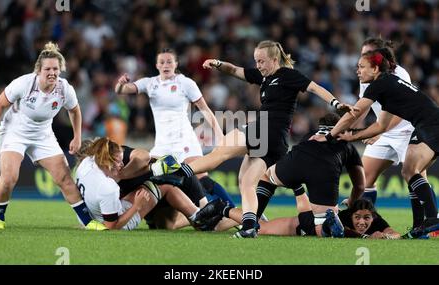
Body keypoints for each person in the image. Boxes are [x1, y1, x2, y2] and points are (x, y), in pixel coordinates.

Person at [152, 40, 357, 238]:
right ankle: (250, 226)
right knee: (247, 182)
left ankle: (177, 173)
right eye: (256, 61)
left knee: (221, 152)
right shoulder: (265, 77)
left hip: (266, 129)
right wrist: (218, 64)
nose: (258, 66)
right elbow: (235, 70)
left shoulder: (287, 75)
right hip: (275, 141)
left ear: (274, 59)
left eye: (261, 61)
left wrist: (336, 103)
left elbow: (314, 87)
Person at [155, 112, 365, 237]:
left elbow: (304, 196)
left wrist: (297, 185)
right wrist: (354, 208)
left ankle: (230, 209)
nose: (362, 222)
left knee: (263, 186)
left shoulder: (311, 139)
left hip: (294, 164)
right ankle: (235, 211)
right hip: (307, 217)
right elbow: (360, 185)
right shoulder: (346, 146)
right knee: (265, 225)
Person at [311, 48, 439, 238]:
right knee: (411, 171)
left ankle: (432, 218)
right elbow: (381, 126)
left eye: (362, 67)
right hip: (430, 124)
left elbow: (354, 114)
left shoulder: (379, 84)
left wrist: (329, 136)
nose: (358, 71)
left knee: (411, 170)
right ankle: (420, 226)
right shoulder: (389, 85)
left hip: (430, 126)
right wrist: (352, 137)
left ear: (375, 68)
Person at [0, 42, 104, 230]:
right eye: (47, 69)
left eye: (56, 69)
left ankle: (89, 222)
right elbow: (0, 104)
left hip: (43, 133)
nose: (52, 72)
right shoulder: (24, 83)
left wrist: (77, 137)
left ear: (61, 70)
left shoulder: (65, 88)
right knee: (9, 178)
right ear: (38, 71)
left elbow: (75, 111)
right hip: (14, 131)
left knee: (65, 178)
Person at [114, 48, 235, 212]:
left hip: (185, 141)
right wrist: (121, 84)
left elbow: (205, 110)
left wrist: (221, 137)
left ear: (176, 64)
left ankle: (236, 212)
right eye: (162, 62)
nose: (166, 65)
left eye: (169, 61)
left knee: (201, 180)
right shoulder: (150, 83)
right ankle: (185, 214)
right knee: (152, 177)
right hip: (163, 145)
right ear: (157, 65)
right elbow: (121, 91)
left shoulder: (185, 83)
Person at [74, 137, 217, 230]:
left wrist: (149, 169)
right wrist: (137, 205)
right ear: (105, 160)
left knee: (167, 224)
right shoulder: (107, 187)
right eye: (117, 161)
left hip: (95, 216)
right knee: (166, 187)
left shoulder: (86, 165)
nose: (121, 164)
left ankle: (200, 215)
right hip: (118, 220)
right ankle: (201, 217)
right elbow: (112, 227)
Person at [350, 38, 421, 208]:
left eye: (367, 54)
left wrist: (378, 132)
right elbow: (363, 107)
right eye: (362, 54)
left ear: (379, 56)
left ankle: (432, 223)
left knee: (416, 177)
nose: (361, 59)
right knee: (365, 178)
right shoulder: (365, 75)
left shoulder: (399, 74)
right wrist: (345, 129)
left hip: (407, 131)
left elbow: (401, 111)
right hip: (382, 130)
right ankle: (367, 221)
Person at [223, 198, 400, 239]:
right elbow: (344, 232)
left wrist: (387, 236)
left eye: (367, 218)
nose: (362, 222)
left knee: (262, 224)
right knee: (261, 228)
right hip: (302, 225)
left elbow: (394, 233)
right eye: (358, 217)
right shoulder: (343, 216)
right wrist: (366, 237)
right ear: (350, 215)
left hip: (311, 229)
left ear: (373, 217)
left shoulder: (377, 221)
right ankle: (223, 209)